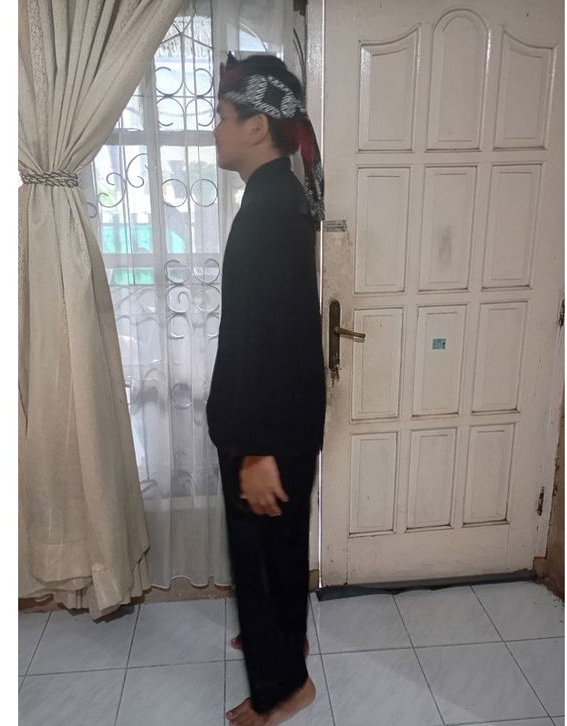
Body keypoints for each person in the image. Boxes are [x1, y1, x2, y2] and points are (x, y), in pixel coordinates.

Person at [205, 51, 326, 725]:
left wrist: (255, 451)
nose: (215, 129)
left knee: (261, 558)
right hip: (276, 421)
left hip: (265, 428)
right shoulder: (275, 196)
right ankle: (280, 643)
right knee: (275, 551)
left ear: (257, 127)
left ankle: (283, 688)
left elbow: (275, 340)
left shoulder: (272, 209)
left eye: (222, 116)